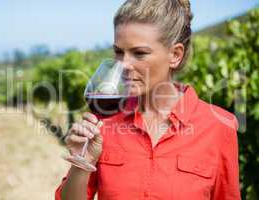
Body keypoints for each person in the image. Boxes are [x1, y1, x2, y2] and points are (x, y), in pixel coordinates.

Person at [55, 0, 241, 199]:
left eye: (139, 53)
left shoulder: (219, 127)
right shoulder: (104, 122)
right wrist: (81, 163)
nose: (123, 64)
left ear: (175, 55)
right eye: (119, 52)